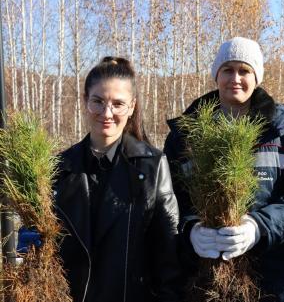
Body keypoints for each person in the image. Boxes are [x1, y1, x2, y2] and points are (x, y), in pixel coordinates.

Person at [163, 37, 284, 302]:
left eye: (245, 71)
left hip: (276, 284)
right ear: (216, 75)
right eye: (227, 69)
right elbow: (168, 200)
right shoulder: (185, 135)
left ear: (257, 77)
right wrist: (190, 230)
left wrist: (258, 227)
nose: (235, 78)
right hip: (205, 282)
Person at [18, 57, 182, 302]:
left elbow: (168, 255)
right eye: (98, 101)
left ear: (132, 106)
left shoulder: (152, 166)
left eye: (118, 104)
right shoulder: (59, 168)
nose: (107, 113)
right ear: (85, 101)